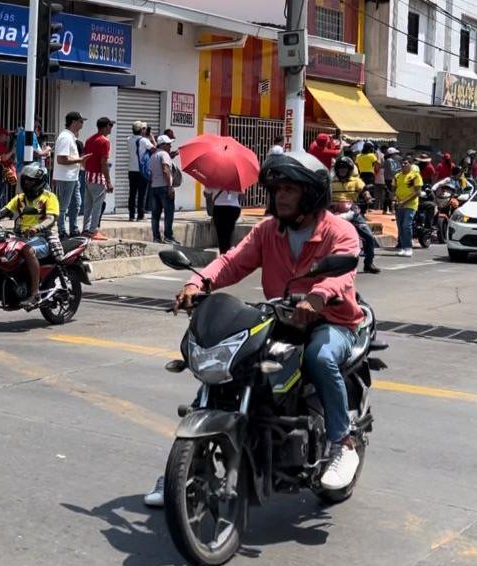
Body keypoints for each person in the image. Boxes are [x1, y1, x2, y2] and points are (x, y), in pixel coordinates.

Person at [145, 151, 367, 509]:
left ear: (310, 194)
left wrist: (318, 296)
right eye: (277, 189)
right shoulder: (268, 230)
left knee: (319, 357)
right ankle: (185, 466)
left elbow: (344, 275)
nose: (280, 196)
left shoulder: (339, 231)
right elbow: (233, 261)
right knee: (233, 364)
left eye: (290, 189)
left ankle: (342, 443)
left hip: (332, 320)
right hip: (282, 318)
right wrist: (198, 283)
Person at [0, 163, 62, 310]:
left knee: (27, 250)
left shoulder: (49, 197)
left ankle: (34, 294)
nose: (28, 183)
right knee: (1, 249)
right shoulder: (20, 198)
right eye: (26, 180)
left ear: (40, 181)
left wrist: (37, 228)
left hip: (43, 237)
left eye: (32, 180)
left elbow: (51, 219)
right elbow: (2, 212)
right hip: (21, 236)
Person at [330, 157, 380, 274]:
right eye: (340, 168)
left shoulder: (356, 181)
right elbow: (324, 194)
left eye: (345, 168)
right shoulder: (330, 181)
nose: (342, 170)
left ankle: (368, 264)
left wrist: (368, 198)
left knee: (368, 236)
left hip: (353, 212)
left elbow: (364, 191)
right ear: (337, 169)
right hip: (334, 213)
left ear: (350, 169)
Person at [53, 112, 90, 238]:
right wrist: (80, 160)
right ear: (74, 122)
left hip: (72, 176)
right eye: (81, 121)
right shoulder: (65, 137)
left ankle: (73, 229)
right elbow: (61, 159)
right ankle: (61, 231)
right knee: (63, 206)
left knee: (76, 203)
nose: (82, 124)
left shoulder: (70, 137)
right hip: (65, 177)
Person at [82, 117, 115, 240]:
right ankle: (93, 231)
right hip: (97, 177)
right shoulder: (104, 141)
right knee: (97, 205)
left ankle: (86, 229)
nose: (111, 128)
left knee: (88, 205)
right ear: (106, 126)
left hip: (88, 175)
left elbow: (84, 158)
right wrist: (108, 181)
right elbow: (103, 163)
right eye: (110, 125)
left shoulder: (90, 139)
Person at [148, 135, 177, 244]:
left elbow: (150, 174)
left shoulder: (153, 155)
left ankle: (156, 237)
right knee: (169, 213)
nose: (170, 146)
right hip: (164, 187)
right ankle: (168, 237)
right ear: (163, 145)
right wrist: (170, 187)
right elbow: (165, 170)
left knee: (155, 214)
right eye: (168, 144)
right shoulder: (164, 154)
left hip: (154, 187)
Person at [394, 153, 425, 257]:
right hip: (399, 205)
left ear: (410, 164)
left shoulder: (415, 175)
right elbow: (394, 189)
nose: (403, 165)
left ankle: (408, 247)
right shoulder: (397, 176)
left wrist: (404, 201)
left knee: (406, 225)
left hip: (410, 205)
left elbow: (417, 192)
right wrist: (395, 199)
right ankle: (403, 247)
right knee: (400, 227)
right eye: (402, 163)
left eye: (405, 163)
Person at [128, 121, 153, 222]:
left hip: (131, 170)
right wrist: (152, 138)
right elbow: (154, 149)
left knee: (132, 193)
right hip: (141, 170)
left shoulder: (128, 139)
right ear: (142, 130)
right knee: (142, 194)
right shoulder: (144, 141)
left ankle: (131, 215)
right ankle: (140, 215)